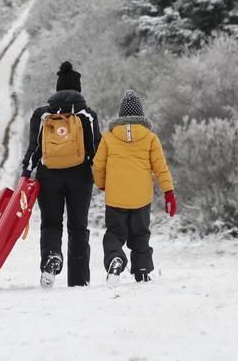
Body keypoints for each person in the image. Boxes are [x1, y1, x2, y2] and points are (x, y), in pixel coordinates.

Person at [21, 61, 102, 288]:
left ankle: (50, 260)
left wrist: (26, 173)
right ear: (78, 89)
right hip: (80, 176)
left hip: (49, 176)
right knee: (78, 227)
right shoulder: (88, 115)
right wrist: (102, 176)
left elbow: (34, 149)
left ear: (57, 88)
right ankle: (78, 280)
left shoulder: (42, 114)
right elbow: (96, 150)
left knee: (50, 224)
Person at [91, 90, 176, 286]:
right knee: (140, 234)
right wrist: (168, 192)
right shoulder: (150, 138)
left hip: (115, 197)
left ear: (121, 116)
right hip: (141, 198)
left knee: (114, 233)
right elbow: (160, 167)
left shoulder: (109, 137)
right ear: (141, 115)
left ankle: (115, 259)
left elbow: (98, 165)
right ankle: (143, 270)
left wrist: (102, 183)